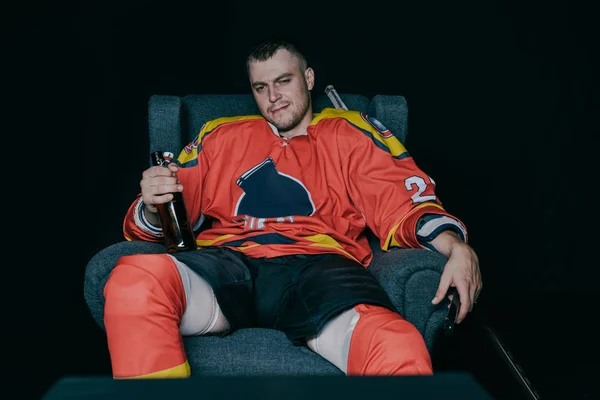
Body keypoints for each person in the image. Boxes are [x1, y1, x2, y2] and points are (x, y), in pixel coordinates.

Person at [103, 36, 482, 379]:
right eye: (261, 87)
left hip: (320, 269)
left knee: (396, 345)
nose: (273, 97)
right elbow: (168, 217)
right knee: (134, 281)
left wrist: (457, 248)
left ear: (309, 78)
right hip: (229, 264)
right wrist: (154, 207)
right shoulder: (219, 135)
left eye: (283, 81)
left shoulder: (352, 132)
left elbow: (405, 204)